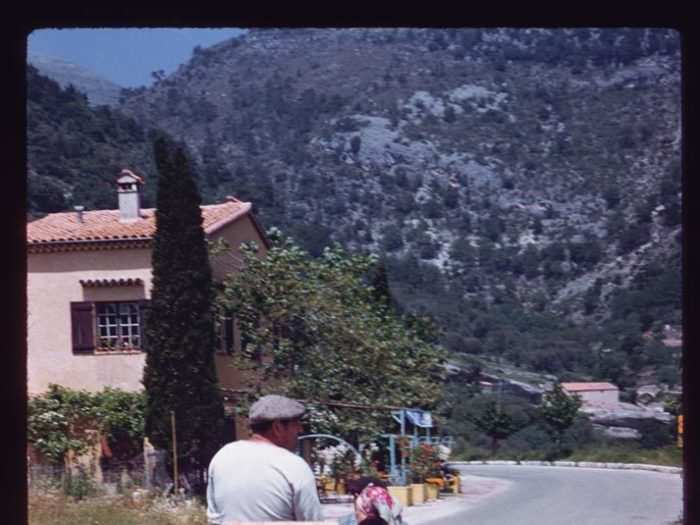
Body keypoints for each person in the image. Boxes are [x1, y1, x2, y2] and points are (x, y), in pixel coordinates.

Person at [206, 394, 323, 524]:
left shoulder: (223, 456)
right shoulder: (294, 466)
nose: (300, 429)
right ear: (277, 427)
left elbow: (214, 519)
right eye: (296, 424)